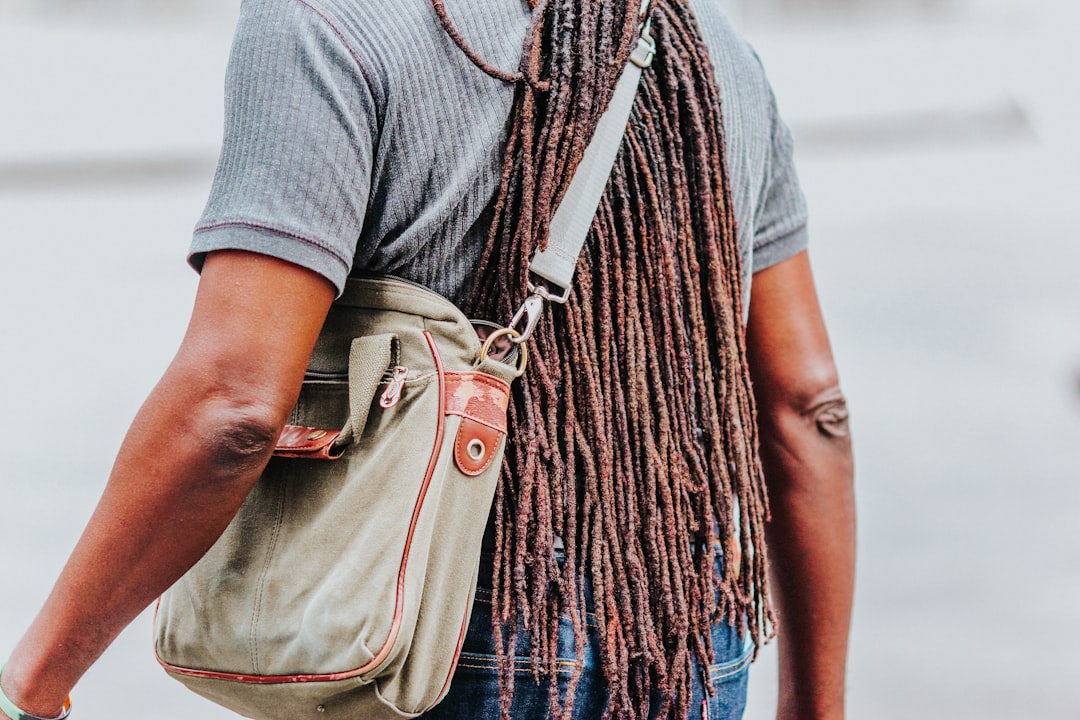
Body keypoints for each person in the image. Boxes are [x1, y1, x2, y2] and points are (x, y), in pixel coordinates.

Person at [0, 0, 854, 719]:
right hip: (688, 632)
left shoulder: (326, 23)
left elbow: (233, 407)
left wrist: (34, 682)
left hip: (439, 629)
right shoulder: (717, 56)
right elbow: (808, 409)